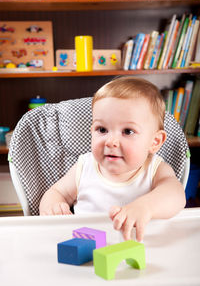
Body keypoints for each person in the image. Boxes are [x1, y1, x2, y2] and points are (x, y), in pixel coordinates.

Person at [39, 76, 186, 241]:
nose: (111, 141)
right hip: (86, 249)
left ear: (155, 142)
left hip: (139, 249)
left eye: (128, 131)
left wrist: (145, 207)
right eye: (102, 129)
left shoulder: (155, 170)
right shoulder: (84, 166)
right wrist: (53, 206)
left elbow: (176, 195)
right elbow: (56, 192)